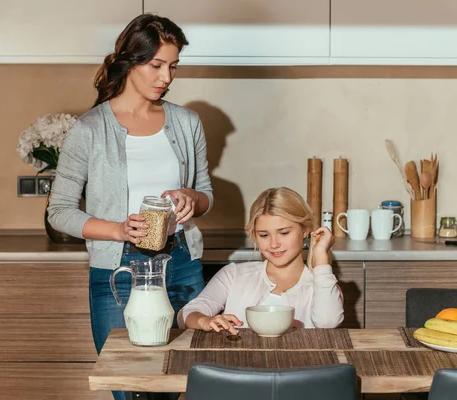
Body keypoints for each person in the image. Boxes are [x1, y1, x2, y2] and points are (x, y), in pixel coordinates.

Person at [47, 13, 212, 400]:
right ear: (130, 61)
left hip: (182, 263)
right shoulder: (89, 129)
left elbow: (205, 191)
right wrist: (119, 229)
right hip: (118, 271)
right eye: (156, 65)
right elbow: (60, 211)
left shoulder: (187, 122)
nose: (166, 77)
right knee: (128, 386)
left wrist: (194, 199)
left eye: (172, 66)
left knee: (184, 381)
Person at [179, 187, 344, 334]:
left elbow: (328, 323)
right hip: (241, 366)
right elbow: (187, 314)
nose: (274, 244)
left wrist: (321, 258)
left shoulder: (323, 285)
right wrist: (204, 321)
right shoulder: (234, 275)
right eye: (264, 235)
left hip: (300, 367)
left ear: (305, 230)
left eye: (284, 233)